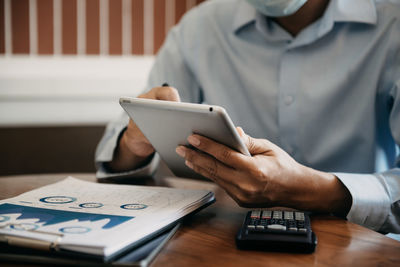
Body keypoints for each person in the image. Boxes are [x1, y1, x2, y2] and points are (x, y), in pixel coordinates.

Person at [96, 0, 400, 234]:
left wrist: (318, 191)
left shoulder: (393, 24)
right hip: (223, 240)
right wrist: (132, 144)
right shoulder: (200, 28)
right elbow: (118, 152)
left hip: (363, 244)